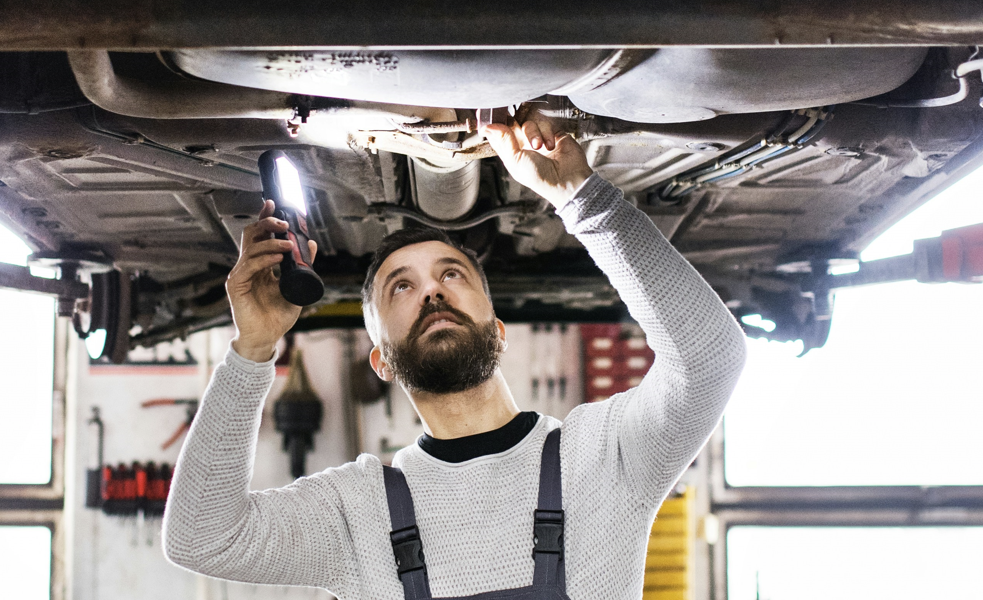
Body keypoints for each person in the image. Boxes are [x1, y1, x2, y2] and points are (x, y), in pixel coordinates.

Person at [162, 118, 748, 600]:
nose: (432, 292)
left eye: (451, 275)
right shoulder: (356, 513)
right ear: (382, 362)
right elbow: (201, 538)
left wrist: (583, 199)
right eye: (401, 287)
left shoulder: (604, 458)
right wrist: (253, 348)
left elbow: (710, 357)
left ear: (498, 331)